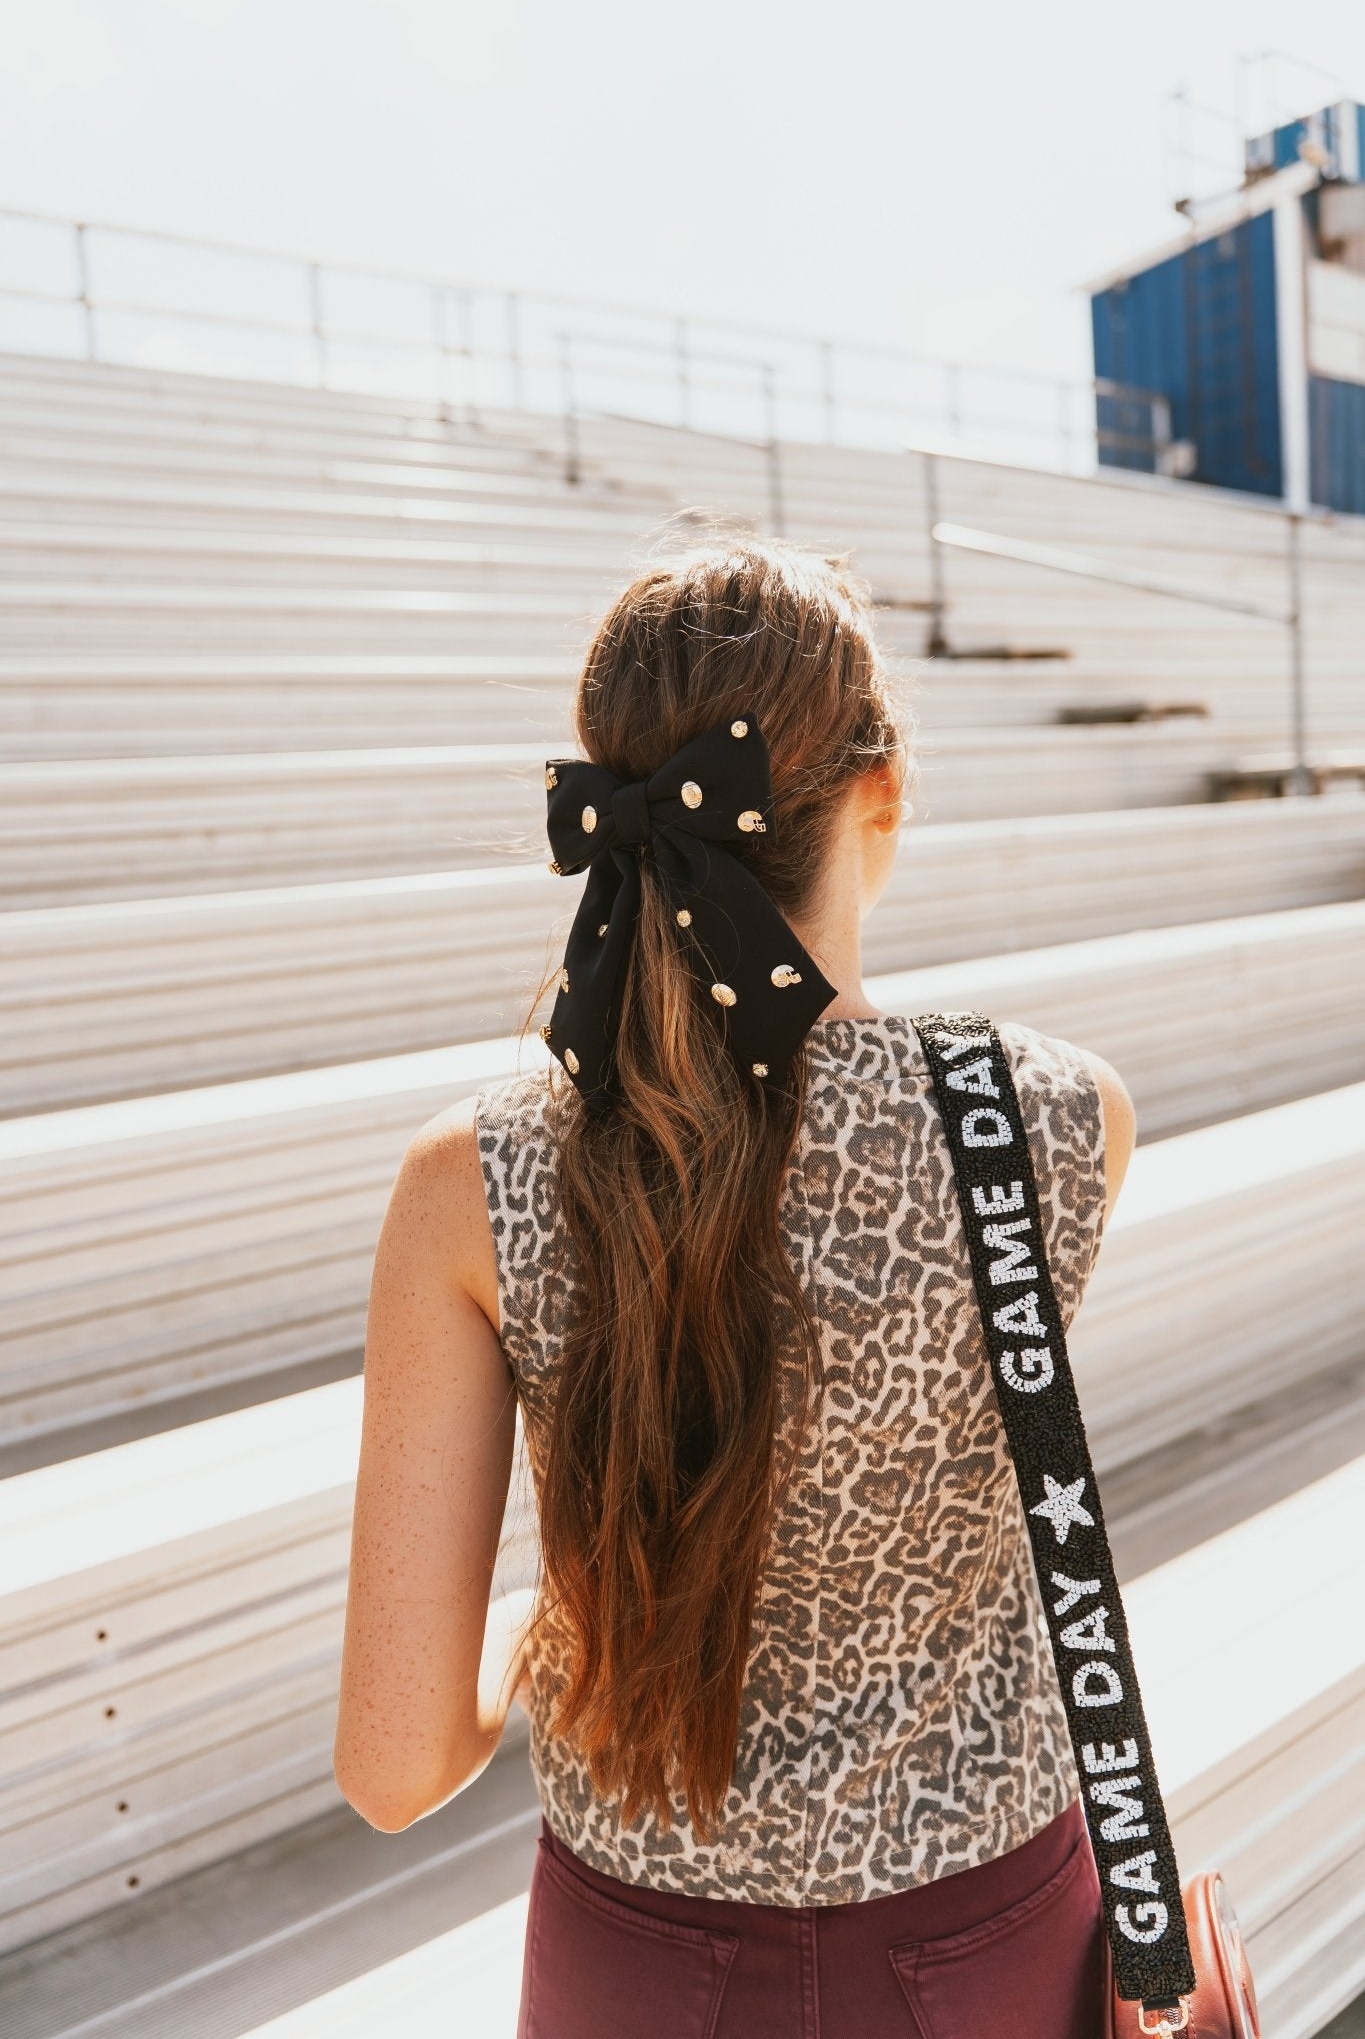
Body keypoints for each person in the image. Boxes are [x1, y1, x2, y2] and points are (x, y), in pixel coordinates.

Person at [334, 538, 1137, 2038]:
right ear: (879, 796)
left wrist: (563, 1617)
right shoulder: (1054, 1117)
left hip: (631, 1957)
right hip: (983, 1937)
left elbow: (395, 1769)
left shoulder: (468, 1182)